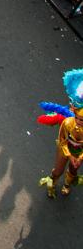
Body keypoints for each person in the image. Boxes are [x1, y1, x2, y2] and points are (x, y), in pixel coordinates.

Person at [40, 68, 83, 198]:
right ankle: (51, 184)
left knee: (73, 170)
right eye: (78, 118)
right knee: (58, 170)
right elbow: (63, 140)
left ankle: (67, 184)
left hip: (79, 152)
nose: (80, 121)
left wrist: (79, 158)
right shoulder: (68, 123)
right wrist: (70, 156)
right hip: (65, 149)